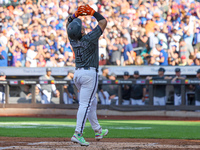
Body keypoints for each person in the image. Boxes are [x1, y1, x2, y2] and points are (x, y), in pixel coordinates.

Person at [66, 4, 108, 146]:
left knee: (92, 102)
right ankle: (78, 133)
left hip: (77, 74)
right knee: (85, 104)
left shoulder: (72, 38)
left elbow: (69, 24)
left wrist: (74, 16)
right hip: (89, 74)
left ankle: (97, 130)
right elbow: (103, 22)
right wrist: (93, 13)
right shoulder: (89, 38)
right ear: (82, 30)